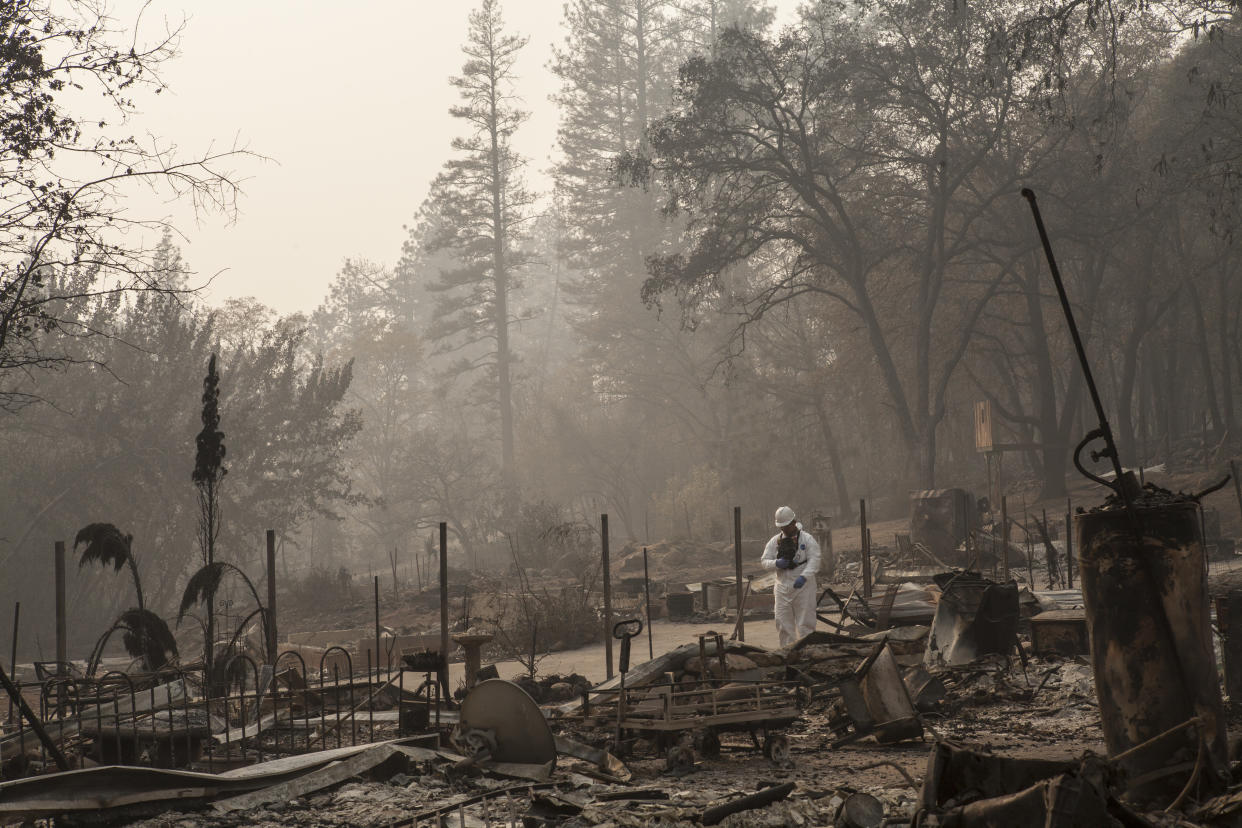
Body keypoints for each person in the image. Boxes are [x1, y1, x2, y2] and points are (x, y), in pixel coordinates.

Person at [760, 506, 821, 647]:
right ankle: (788, 653)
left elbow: (815, 559)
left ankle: (809, 651)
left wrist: (804, 576)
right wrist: (776, 563)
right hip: (782, 586)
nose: (784, 530)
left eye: (787, 526)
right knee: (783, 623)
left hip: (803, 587)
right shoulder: (775, 542)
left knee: (805, 623)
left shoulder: (807, 539)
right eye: (782, 527)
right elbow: (764, 561)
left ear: (794, 522)